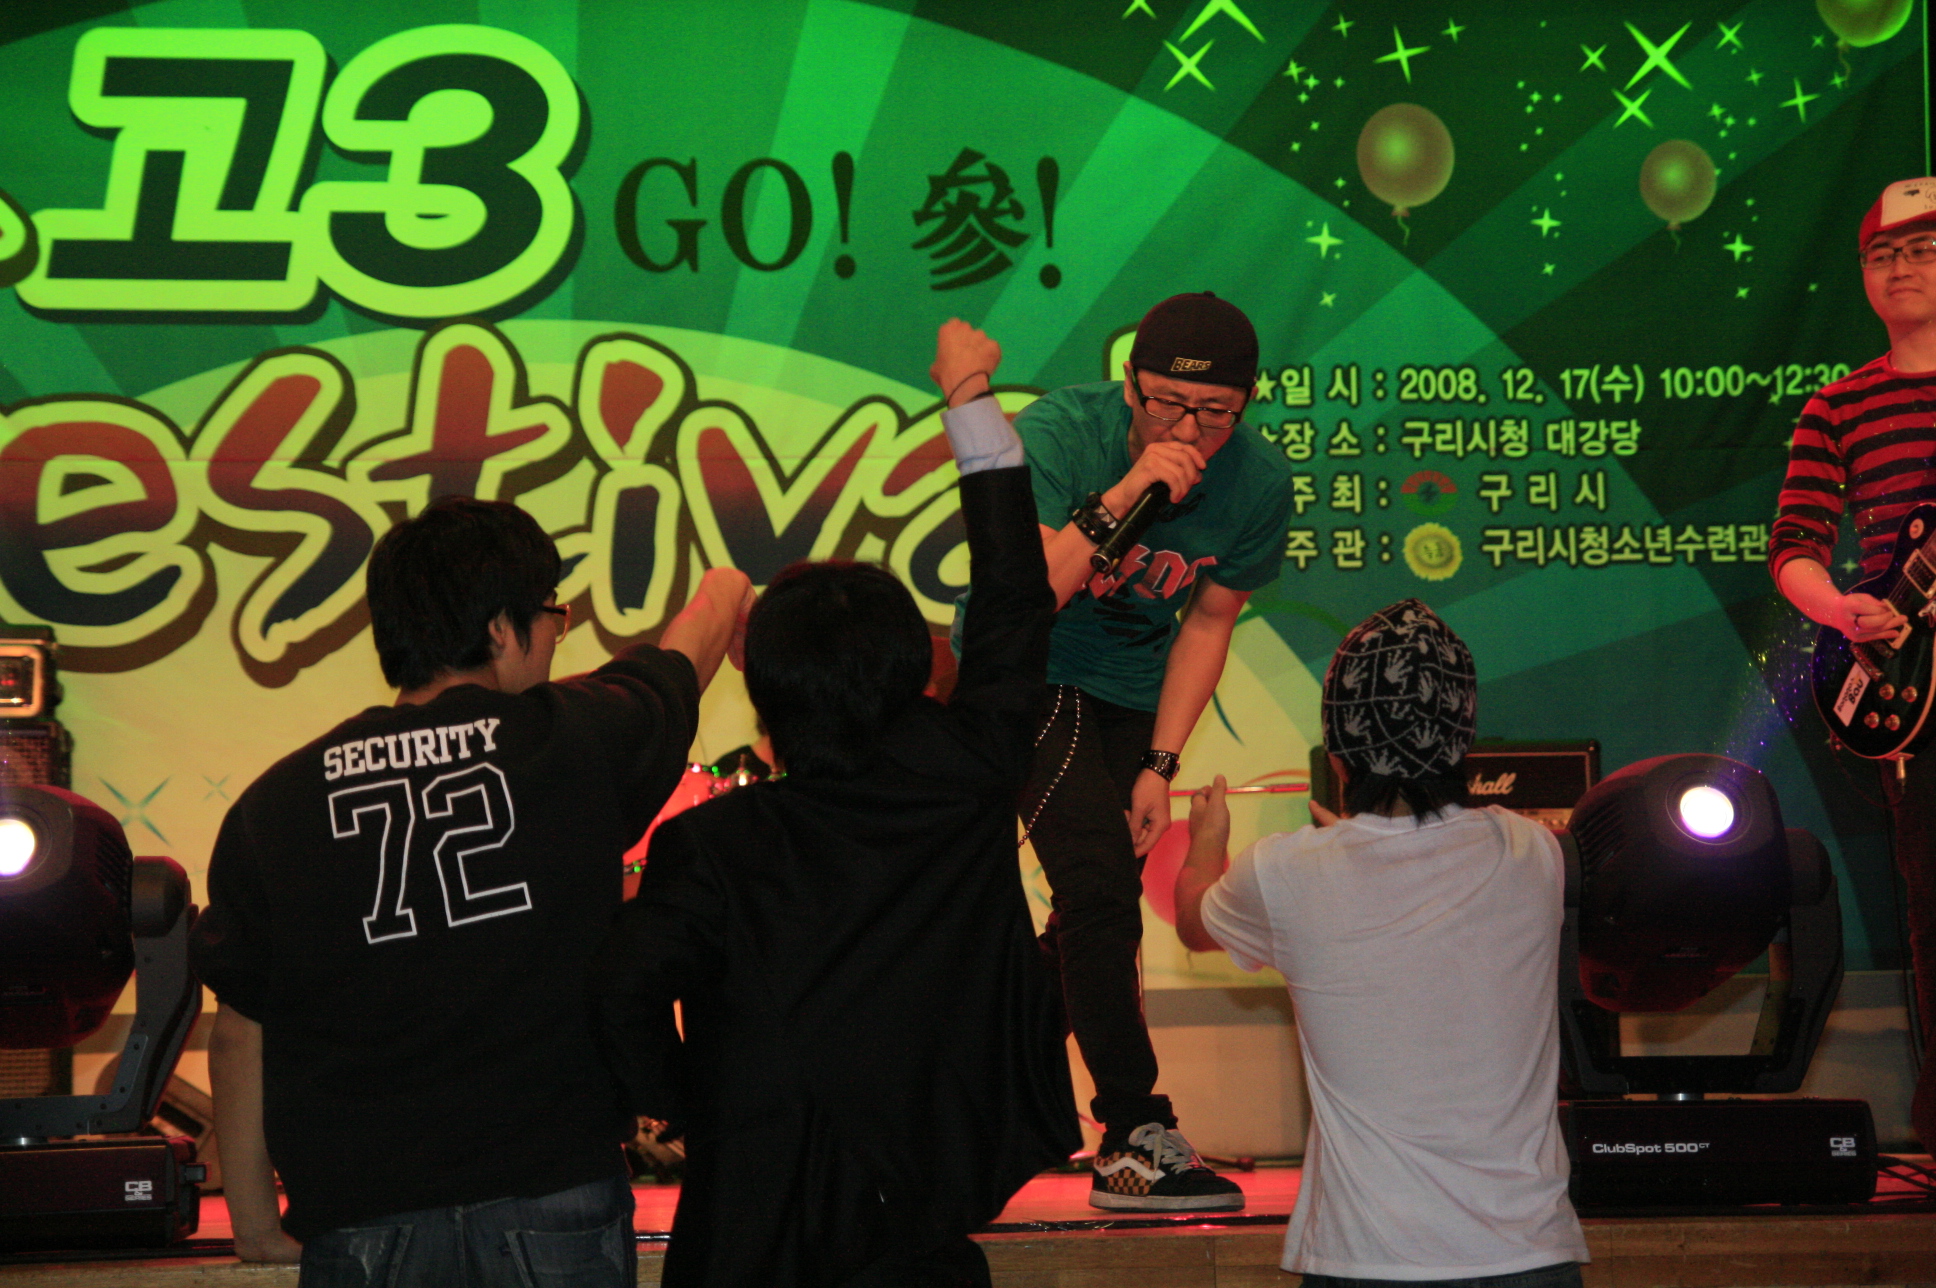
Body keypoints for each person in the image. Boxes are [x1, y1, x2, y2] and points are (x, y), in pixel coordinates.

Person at [589, 320, 1078, 1288]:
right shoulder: (968, 776)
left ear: (761, 681)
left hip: (751, 1224)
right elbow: (1015, 598)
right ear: (910, 666)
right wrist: (969, 400)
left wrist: (692, 1102)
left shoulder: (713, 845)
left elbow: (618, 988)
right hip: (924, 1219)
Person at [191, 495, 750, 1284]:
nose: (555, 636)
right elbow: (681, 662)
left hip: (366, 1220)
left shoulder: (275, 805)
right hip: (551, 1197)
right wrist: (730, 588)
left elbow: (240, 1033)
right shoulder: (573, 739)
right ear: (500, 628)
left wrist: (254, 1226)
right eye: (552, 615)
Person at [1173, 599, 1590, 1285]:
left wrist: (1207, 841)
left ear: (1337, 755)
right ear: (1462, 742)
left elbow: (1193, 920)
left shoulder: (1286, 873)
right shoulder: (1533, 855)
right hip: (1531, 1259)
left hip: (1368, 1261)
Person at [1003, 290, 1293, 1209]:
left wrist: (1161, 764)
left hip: (1132, 694)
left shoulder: (1257, 482)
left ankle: (973, 1077)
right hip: (1028, 675)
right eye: (1167, 402)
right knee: (1098, 893)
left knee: (1087, 916)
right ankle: (1132, 1134)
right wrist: (1128, 492)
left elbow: (1208, 622)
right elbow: (1029, 598)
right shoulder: (1058, 434)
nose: (1189, 429)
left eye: (1216, 411)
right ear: (1129, 383)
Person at [1771, 176, 1936, 1149]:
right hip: (1913, 694)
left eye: (1922, 249)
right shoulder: (1837, 406)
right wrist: (1841, 609)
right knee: (1932, 906)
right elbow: (1794, 543)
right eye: (1883, 253)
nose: (1900, 267)